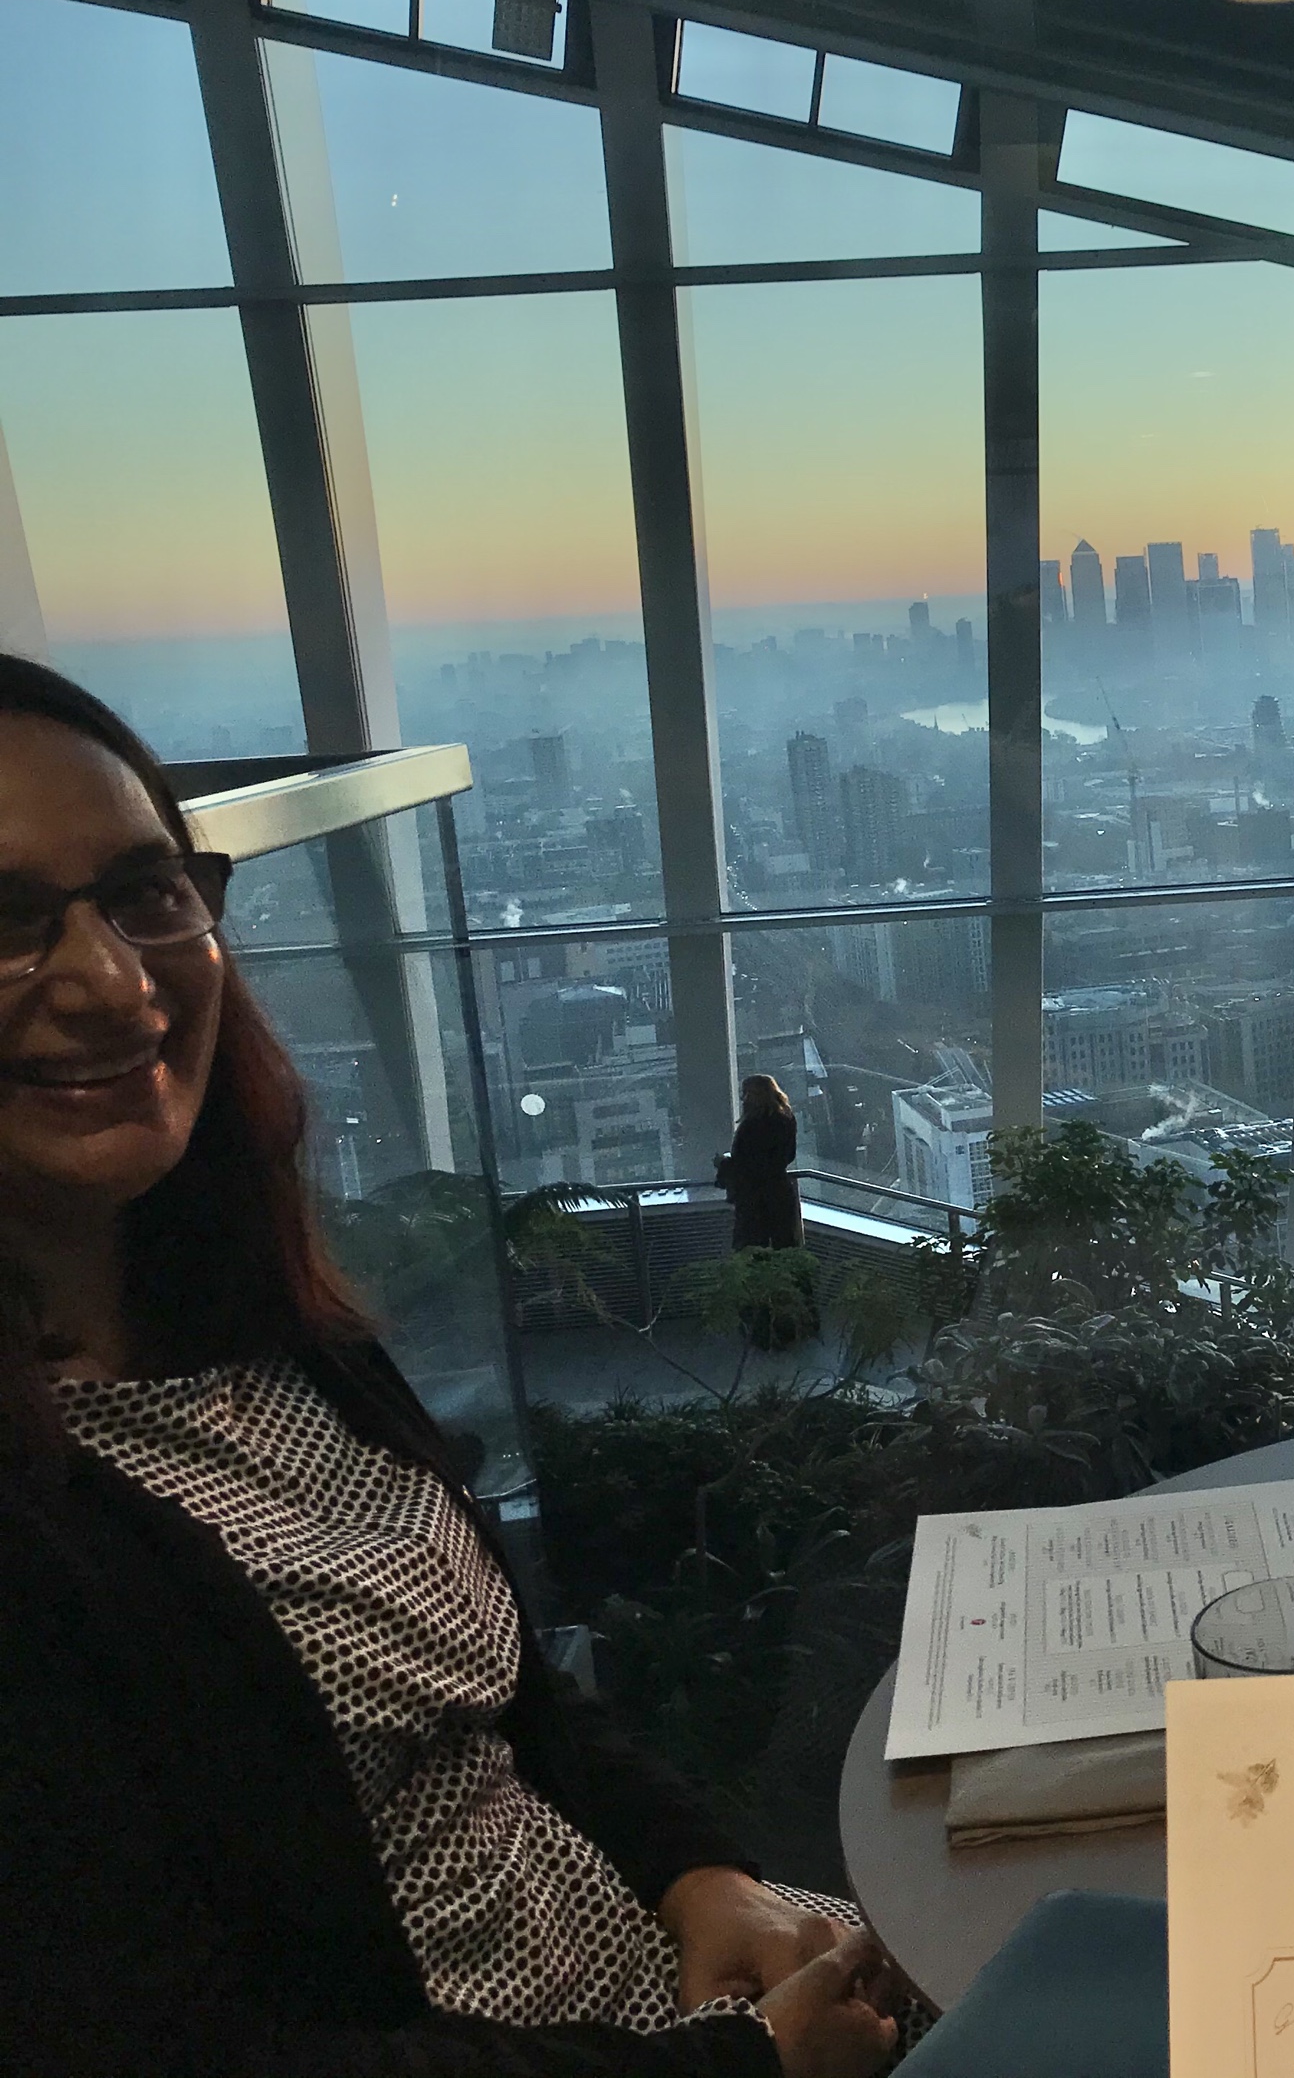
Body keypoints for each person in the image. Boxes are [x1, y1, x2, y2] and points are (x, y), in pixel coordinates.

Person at [0, 656, 899, 2076]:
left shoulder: (265, 1327)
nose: (111, 978)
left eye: (145, 892)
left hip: (663, 1974)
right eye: (3, 922)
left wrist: (699, 1875)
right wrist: (750, 2066)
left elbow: (507, 1693)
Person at [717, 1076, 803, 1252]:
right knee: (784, 1244)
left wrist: (724, 1164)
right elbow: (785, 1156)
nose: (743, 1099)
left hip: (754, 1197)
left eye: (746, 1093)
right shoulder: (786, 1118)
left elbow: (750, 1164)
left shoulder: (753, 1125)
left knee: (751, 1247)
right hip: (779, 1191)